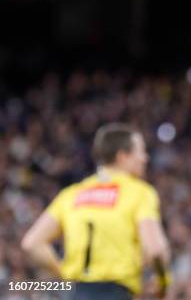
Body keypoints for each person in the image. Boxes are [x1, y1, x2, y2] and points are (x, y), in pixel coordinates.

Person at [21, 123, 171, 300]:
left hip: (77, 293)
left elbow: (31, 243)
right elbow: (155, 249)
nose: (145, 158)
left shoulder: (71, 194)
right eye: (141, 152)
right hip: (116, 292)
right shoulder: (139, 192)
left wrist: (65, 275)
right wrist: (162, 282)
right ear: (122, 156)